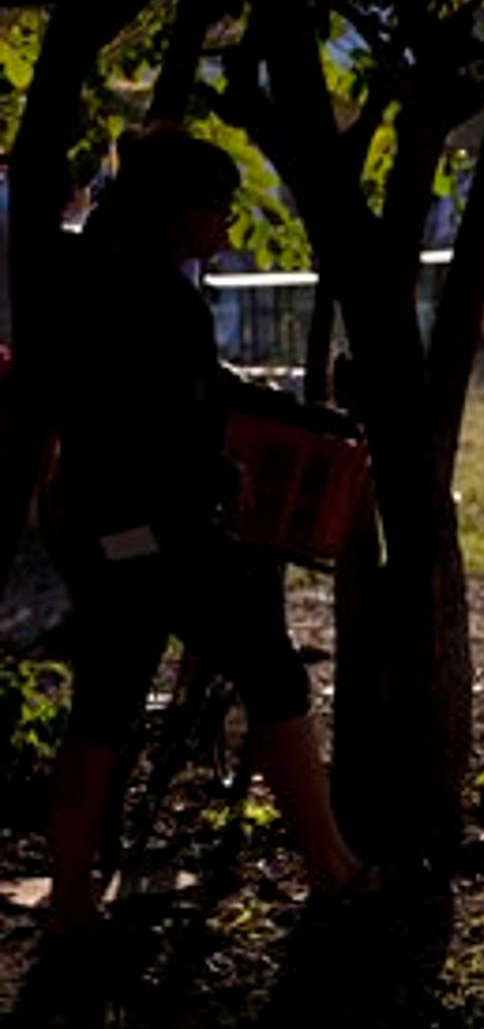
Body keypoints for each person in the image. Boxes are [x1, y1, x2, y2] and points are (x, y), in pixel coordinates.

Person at [42, 129, 371, 946]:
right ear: (183, 212)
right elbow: (163, 423)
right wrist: (218, 474)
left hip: (97, 528)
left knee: (103, 707)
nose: (227, 227)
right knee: (273, 674)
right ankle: (332, 867)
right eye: (219, 209)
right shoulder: (163, 297)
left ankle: (70, 899)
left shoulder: (94, 277)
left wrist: (288, 413)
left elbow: (185, 393)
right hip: (159, 535)